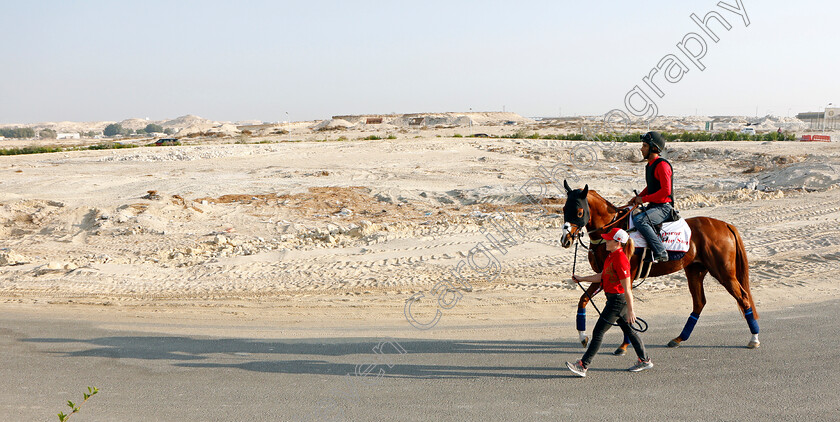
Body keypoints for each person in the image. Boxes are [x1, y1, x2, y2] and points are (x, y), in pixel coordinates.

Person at [566, 228, 653, 377]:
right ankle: (644, 360)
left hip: (617, 302)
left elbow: (627, 289)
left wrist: (631, 310)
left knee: (598, 332)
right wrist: (581, 278)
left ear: (618, 242)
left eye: (609, 239)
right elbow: (602, 276)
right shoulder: (611, 256)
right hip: (615, 300)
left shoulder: (621, 260)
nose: (606, 241)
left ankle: (583, 365)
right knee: (629, 331)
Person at [628, 131, 674, 263]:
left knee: (641, 220)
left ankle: (660, 251)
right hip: (654, 205)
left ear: (654, 148)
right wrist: (637, 197)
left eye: (644, 146)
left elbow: (665, 191)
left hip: (663, 208)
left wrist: (643, 199)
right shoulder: (650, 165)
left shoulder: (662, 165)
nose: (641, 149)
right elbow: (651, 187)